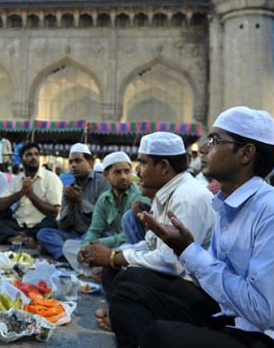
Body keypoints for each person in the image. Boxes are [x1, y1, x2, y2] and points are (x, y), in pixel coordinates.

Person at [132, 107, 274, 348]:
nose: (203, 149)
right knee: (132, 293)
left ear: (245, 153)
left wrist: (189, 250)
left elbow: (260, 310)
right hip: (234, 318)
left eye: (213, 140)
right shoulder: (226, 206)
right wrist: (183, 249)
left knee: (161, 334)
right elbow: (215, 280)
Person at [84, 132, 215, 333]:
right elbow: (150, 243)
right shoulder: (167, 193)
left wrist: (113, 257)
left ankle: (125, 316)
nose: (137, 170)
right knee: (113, 271)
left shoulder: (187, 198)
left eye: (143, 163)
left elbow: (171, 263)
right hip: (178, 282)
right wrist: (113, 256)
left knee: (127, 277)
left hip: (199, 292)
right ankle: (122, 312)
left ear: (163, 166)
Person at [65, 152, 150, 273]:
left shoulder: (139, 197)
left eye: (127, 171)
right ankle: (98, 269)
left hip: (133, 247)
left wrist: (101, 243)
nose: (124, 177)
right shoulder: (104, 198)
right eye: (117, 172)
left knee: (121, 250)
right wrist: (85, 248)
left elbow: (132, 237)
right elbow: (95, 230)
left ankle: (100, 269)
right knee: (69, 246)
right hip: (111, 245)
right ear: (106, 175)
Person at [36, 143, 110, 260]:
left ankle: (68, 253)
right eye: (71, 162)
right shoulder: (70, 188)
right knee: (43, 233)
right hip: (74, 236)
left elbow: (104, 218)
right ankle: (71, 255)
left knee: (101, 237)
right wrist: (70, 206)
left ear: (90, 163)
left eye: (77, 161)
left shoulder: (103, 183)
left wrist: (80, 202)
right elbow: (63, 227)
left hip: (94, 234)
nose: (73, 165)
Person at [0, 142, 62, 245]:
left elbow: (54, 213)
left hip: (40, 224)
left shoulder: (51, 178)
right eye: (29, 154)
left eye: (36, 154)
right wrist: (21, 193)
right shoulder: (17, 180)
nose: (33, 157)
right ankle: (18, 237)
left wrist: (31, 195)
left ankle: (17, 236)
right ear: (21, 160)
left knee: (53, 224)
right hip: (18, 224)